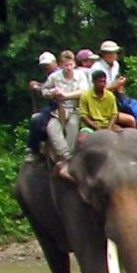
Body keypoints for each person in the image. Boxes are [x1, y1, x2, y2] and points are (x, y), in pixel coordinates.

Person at [42, 49, 88, 177]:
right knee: (52, 127)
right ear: (61, 65)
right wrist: (52, 93)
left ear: (74, 64)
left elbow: (84, 91)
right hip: (60, 109)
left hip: (75, 109)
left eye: (71, 65)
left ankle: (69, 157)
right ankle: (64, 154)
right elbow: (44, 90)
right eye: (66, 65)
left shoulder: (80, 75)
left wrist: (66, 95)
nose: (68, 68)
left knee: (72, 126)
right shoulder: (54, 77)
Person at [80, 68, 119, 132]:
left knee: (124, 135)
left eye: (104, 81)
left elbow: (114, 114)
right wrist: (97, 128)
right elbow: (84, 116)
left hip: (107, 125)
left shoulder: (110, 95)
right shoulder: (85, 96)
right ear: (93, 81)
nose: (102, 84)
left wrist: (109, 127)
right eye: (100, 82)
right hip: (90, 126)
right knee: (82, 137)